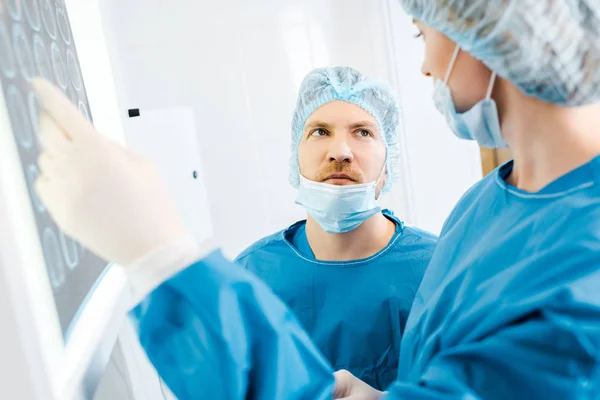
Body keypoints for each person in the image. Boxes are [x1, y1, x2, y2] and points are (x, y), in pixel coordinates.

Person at [32, 0, 600, 398]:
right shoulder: (486, 206)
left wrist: (159, 255)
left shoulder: (578, 282)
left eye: (423, 32)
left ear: (491, 24)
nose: (426, 63)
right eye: (319, 132)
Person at [235, 66, 436, 390]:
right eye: (320, 132)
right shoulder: (252, 275)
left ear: (389, 163)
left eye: (363, 132)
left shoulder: (439, 270)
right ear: (295, 157)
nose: (340, 152)